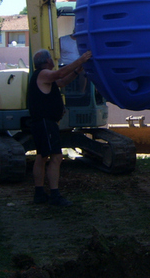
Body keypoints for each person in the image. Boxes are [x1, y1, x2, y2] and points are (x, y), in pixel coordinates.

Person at [27, 48, 92, 206]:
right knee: (55, 157)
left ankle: (40, 193)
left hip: (43, 123)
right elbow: (59, 74)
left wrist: (77, 71)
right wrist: (81, 59)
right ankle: (54, 195)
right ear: (48, 61)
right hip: (45, 123)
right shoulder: (43, 74)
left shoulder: (42, 77)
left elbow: (61, 82)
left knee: (42, 156)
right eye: (51, 60)